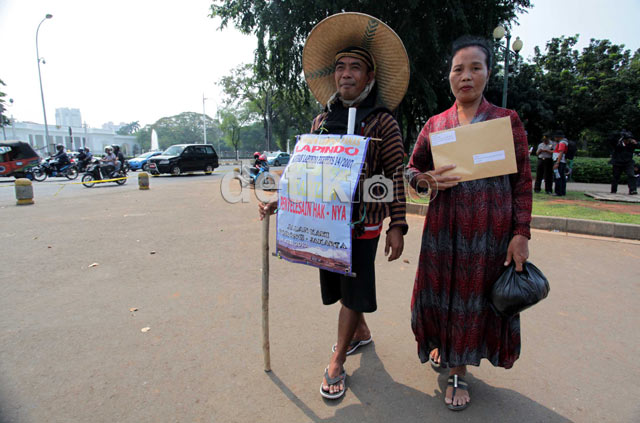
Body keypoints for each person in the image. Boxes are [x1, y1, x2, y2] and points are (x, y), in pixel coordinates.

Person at [258, 12, 408, 400]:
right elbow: (306, 174)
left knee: (353, 291)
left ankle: (337, 360)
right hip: (325, 224)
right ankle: (359, 334)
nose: (345, 74)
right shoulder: (321, 121)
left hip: (364, 223)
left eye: (355, 67)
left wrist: (397, 225)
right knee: (338, 288)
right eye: (340, 66)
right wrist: (281, 203)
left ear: (370, 77)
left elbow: (395, 175)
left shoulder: (382, 122)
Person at [406, 35, 532, 411]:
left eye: (475, 67)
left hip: (490, 238)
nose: (466, 76)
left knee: (472, 301)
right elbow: (411, 169)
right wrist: (427, 180)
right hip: (443, 234)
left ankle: (458, 369)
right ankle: (445, 349)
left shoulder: (506, 122)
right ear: (449, 76)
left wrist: (520, 233)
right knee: (443, 295)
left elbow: (522, 181)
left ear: (488, 74)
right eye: (458, 69)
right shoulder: (436, 124)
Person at [609, 130, 638, 195]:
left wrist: (636, 143)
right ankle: (613, 190)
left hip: (628, 162)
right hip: (617, 162)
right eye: (627, 140)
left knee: (631, 175)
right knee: (616, 177)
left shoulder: (631, 145)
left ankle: (633, 190)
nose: (628, 141)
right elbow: (611, 140)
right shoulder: (617, 144)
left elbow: (638, 145)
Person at [551, 130, 569, 196]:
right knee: (562, 177)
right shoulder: (565, 142)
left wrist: (557, 163)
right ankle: (562, 191)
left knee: (557, 176)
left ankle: (558, 192)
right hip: (561, 161)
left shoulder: (562, 143)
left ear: (558, 137)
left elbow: (561, 152)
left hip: (559, 161)